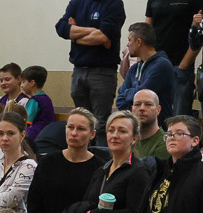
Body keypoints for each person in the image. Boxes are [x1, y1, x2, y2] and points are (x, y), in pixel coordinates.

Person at [55, 0, 126, 141]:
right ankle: (82, 158)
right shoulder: (76, 2)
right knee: (81, 123)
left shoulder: (114, 4)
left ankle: (100, 160)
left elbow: (102, 37)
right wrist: (92, 31)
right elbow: (61, 28)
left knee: (100, 124)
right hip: (79, 70)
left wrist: (75, 35)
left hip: (102, 72)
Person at [27, 108, 101, 213]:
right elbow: (34, 203)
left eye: (81, 129)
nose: (74, 133)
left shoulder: (100, 167)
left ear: (92, 134)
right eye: (70, 127)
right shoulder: (48, 162)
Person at [145, 0, 203, 117]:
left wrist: (183, 65)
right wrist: (148, 59)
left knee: (178, 118)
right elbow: (147, 29)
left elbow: (200, 35)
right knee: (152, 115)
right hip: (155, 65)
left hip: (180, 66)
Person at [116, 23, 175, 123]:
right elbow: (119, 99)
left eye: (130, 40)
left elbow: (142, 95)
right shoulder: (134, 68)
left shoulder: (162, 66)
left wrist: (127, 93)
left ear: (138, 42)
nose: (127, 44)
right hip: (136, 127)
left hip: (158, 129)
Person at [19, 66, 55, 142]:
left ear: (32, 83)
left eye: (23, 82)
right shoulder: (47, 98)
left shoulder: (34, 100)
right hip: (49, 132)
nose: (21, 85)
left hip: (36, 133)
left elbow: (27, 122)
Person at [131, 90, 167, 160]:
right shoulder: (128, 141)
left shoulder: (166, 143)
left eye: (148, 104)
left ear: (158, 110)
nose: (142, 108)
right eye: (137, 104)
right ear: (132, 109)